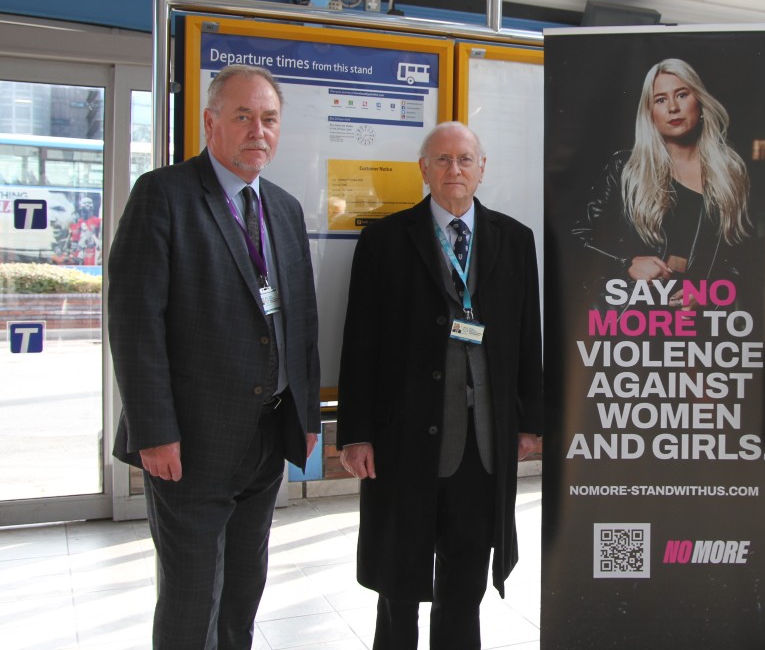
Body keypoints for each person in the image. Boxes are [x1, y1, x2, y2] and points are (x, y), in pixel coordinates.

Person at [108, 64, 321, 649]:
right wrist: (155, 431)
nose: (259, 130)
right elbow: (134, 323)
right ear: (210, 123)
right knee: (191, 591)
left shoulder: (283, 208)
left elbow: (300, 320)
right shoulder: (164, 194)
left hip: (267, 434)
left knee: (245, 586)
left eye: (269, 119)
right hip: (190, 440)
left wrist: (305, 416)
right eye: (243, 116)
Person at [336, 121, 543, 650]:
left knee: (467, 573)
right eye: (443, 160)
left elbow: (527, 340)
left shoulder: (515, 240)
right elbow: (359, 341)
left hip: (482, 442)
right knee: (398, 577)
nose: (455, 170)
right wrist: (355, 432)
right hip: (403, 438)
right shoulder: (385, 240)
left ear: (481, 169)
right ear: (424, 169)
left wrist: (529, 422)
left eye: (465, 160)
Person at [572, 57, 750, 305]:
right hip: (630, 318)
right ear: (650, 113)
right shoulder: (625, 169)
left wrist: (709, 291)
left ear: (699, 102)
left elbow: (743, 259)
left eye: (682, 95)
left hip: (696, 326)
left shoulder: (729, 173)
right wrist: (626, 265)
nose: (673, 108)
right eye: (661, 99)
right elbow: (578, 241)